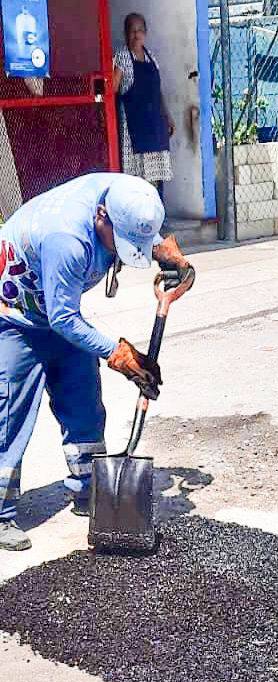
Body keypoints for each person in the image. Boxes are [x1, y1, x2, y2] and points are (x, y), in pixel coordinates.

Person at [0, 172, 191, 551]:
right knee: (10, 412)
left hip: (57, 307)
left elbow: (146, 226)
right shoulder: (66, 240)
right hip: (16, 315)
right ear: (101, 216)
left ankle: (90, 489)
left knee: (84, 400)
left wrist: (168, 253)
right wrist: (119, 354)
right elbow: (63, 319)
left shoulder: (125, 193)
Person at [113, 12, 174, 199]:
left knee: (157, 178)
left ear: (145, 33)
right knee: (137, 180)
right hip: (134, 127)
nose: (136, 35)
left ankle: (159, 217)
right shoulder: (122, 56)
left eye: (140, 30)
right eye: (132, 31)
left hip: (155, 126)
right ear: (125, 33)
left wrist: (167, 116)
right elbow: (113, 88)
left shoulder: (151, 57)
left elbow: (158, 91)